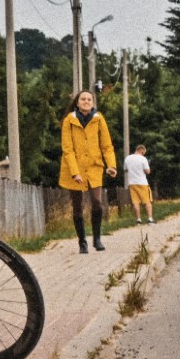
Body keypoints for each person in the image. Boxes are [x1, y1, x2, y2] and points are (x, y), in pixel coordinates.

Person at [59, 91, 118, 254]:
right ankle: (82, 242)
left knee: (97, 202)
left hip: (94, 167)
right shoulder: (69, 120)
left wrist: (111, 165)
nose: (86, 101)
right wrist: (75, 172)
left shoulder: (99, 119)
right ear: (77, 103)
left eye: (89, 99)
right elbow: (67, 149)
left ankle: (97, 238)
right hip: (74, 168)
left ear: (92, 102)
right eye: (83, 99)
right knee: (77, 206)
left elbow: (107, 146)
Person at [124, 143, 154, 224]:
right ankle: (150, 219)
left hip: (132, 183)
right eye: (144, 153)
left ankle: (138, 220)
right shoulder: (143, 159)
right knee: (147, 201)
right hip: (142, 183)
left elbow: (125, 170)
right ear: (142, 151)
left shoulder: (127, 158)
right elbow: (147, 171)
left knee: (135, 202)